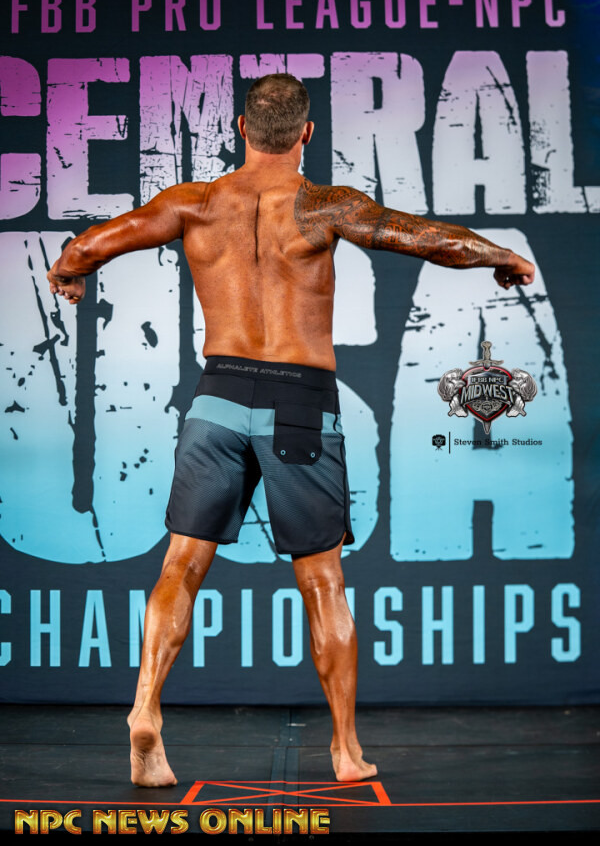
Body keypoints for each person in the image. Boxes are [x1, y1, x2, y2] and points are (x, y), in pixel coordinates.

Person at [47, 73, 535, 788]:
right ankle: (345, 750)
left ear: (242, 129)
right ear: (307, 133)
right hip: (298, 403)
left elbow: (94, 244)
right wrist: (502, 257)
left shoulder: (194, 203)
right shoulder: (323, 206)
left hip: (216, 398)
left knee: (180, 567)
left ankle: (145, 705)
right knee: (324, 583)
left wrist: (70, 273)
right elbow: (427, 239)